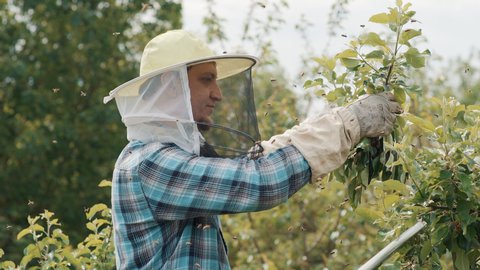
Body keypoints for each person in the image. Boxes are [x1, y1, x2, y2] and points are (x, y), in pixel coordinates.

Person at [104, 29, 402, 269]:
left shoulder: (168, 159)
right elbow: (259, 181)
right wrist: (348, 124)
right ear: (171, 87)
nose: (218, 94)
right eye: (206, 80)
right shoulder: (150, 164)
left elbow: (250, 164)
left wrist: (323, 126)